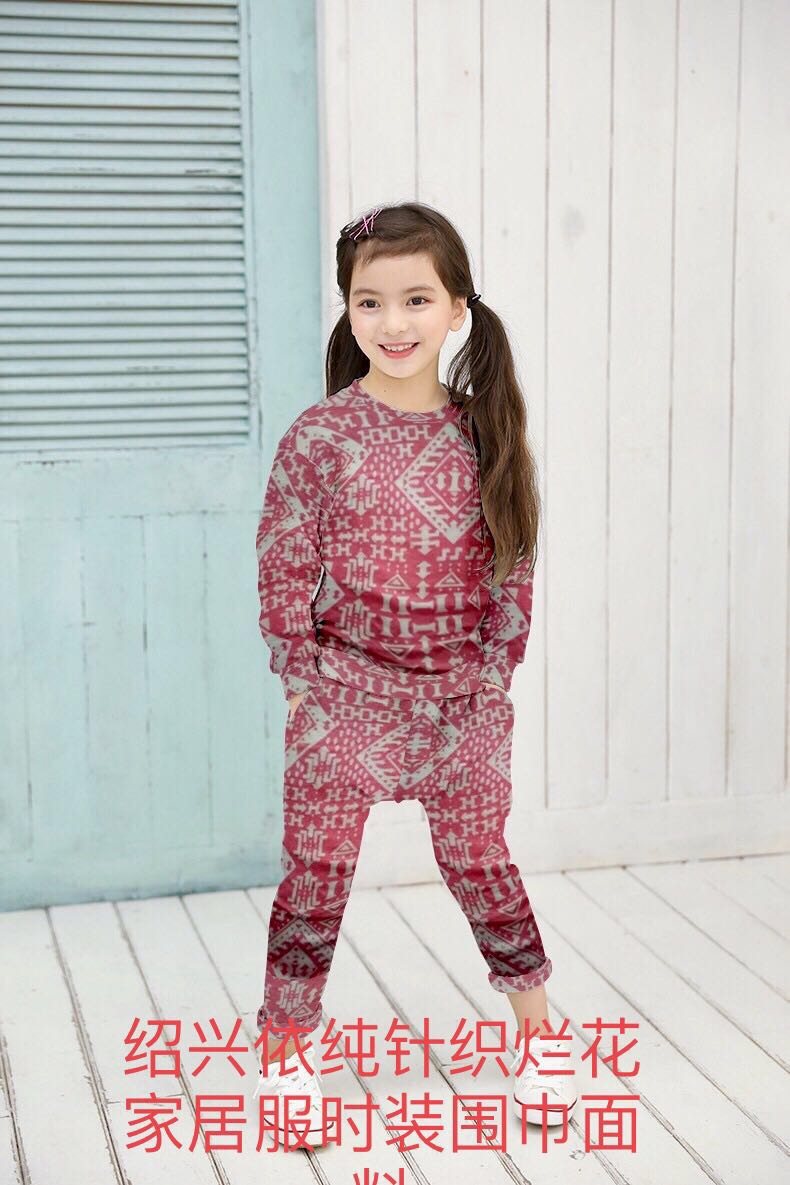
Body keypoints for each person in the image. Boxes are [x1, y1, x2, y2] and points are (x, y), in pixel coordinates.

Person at [252, 201, 577, 1144]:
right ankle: (285, 1051)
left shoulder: (485, 435)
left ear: (457, 307)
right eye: (370, 302)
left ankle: (541, 1033)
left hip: (462, 703)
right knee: (314, 876)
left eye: (416, 299)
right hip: (343, 701)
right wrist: (301, 677)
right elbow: (281, 565)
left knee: (482, 865)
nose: (393, 323)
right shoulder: (319, 438)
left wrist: (496, 673)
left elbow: (513, 566)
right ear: (348, 311)